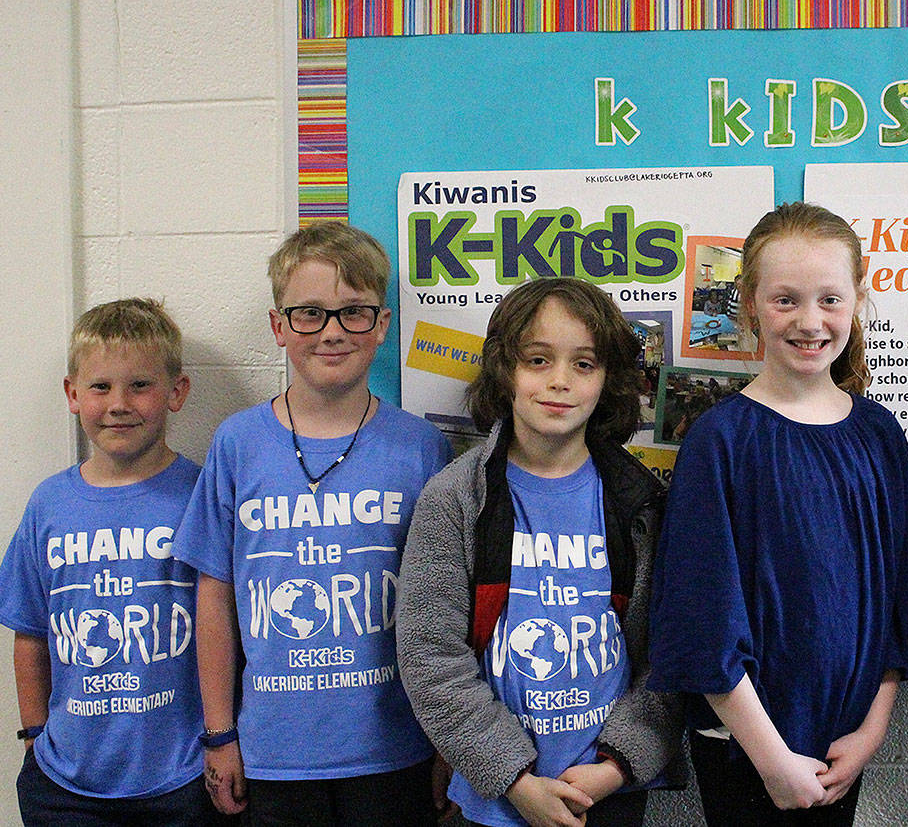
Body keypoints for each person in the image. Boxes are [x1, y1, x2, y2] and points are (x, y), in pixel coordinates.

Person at [649, 202, 908, 826]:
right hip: (744, 748)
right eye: (786, 301)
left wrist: (871, 732)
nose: (810, 322)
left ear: (859, 300)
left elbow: (901, 601)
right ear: (749, 305)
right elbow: (702, 618)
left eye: (830, 299)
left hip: (846, 743)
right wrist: (771, 757)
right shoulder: (718, 442)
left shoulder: (880, 435)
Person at [174, 223, 453, 825]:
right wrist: (219, 734)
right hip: (273, 754)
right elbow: (215, 595)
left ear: (381, 326)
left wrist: (448, 740)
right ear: (278, 327)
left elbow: (446, 606)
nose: (332, 331)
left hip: (395, 750)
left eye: (354, 313)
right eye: (309, 313)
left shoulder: (421, 447)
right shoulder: (238, 444)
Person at [396, 277, 683, 827]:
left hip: (607, 790)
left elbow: (665, 654)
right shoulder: (455, 499)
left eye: (583, 364)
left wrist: (618, 767)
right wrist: (513, 779)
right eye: (537, 360)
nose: (559, 382)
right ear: (505, 370)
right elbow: (429, 654)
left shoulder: (639, 502)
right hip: (499, 799)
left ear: (606, 379)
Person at [0, 298, 221, 824]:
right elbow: (29, 633)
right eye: (101, 387)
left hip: (183, 778)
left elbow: (226, 628)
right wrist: (34, 735)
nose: (119, 403)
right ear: (73, 395)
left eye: (139, 385)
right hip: (66, 784)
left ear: (177, 392)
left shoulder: (202, 495)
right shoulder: (48, 505)